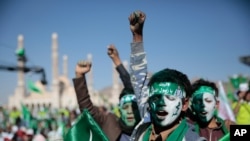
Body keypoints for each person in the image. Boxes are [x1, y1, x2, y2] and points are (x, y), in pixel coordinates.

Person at [128, 10, 203, 141]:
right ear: (149, 102)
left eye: (170, 97)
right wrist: (137, 36)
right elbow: (139, 78)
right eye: (156, 98)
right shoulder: (144, 127)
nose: (161, 103)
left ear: (185, 104)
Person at [73, 59, 141, 141]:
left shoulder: (148, 130)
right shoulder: (110, 123)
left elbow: (133, 88)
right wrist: (79, 76)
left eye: (134, 108)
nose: (130, 111)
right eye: (125, 107)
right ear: (119, 110)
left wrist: (117, 61)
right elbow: (87, 110)